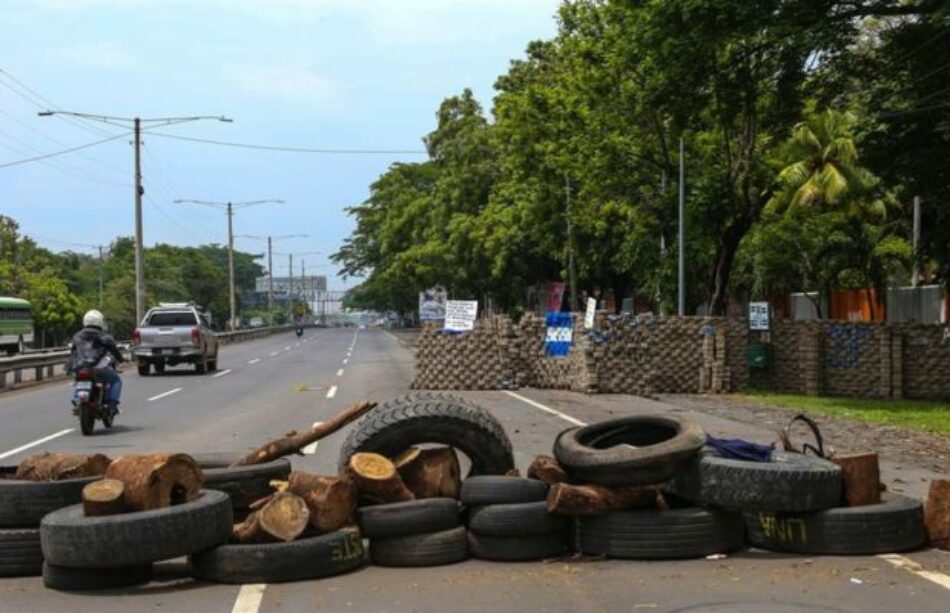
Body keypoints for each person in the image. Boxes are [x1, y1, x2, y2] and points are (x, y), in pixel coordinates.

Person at [68, 309, 124, 413]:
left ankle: (77, 399)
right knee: (116, 381)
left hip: (80, 367)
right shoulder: (105, 336)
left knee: (79, 380)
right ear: (100, 321)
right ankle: (112, 405)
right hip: (99, 368)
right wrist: (121, 360)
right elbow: (114, 351)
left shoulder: (77, 336)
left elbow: (73, 353)